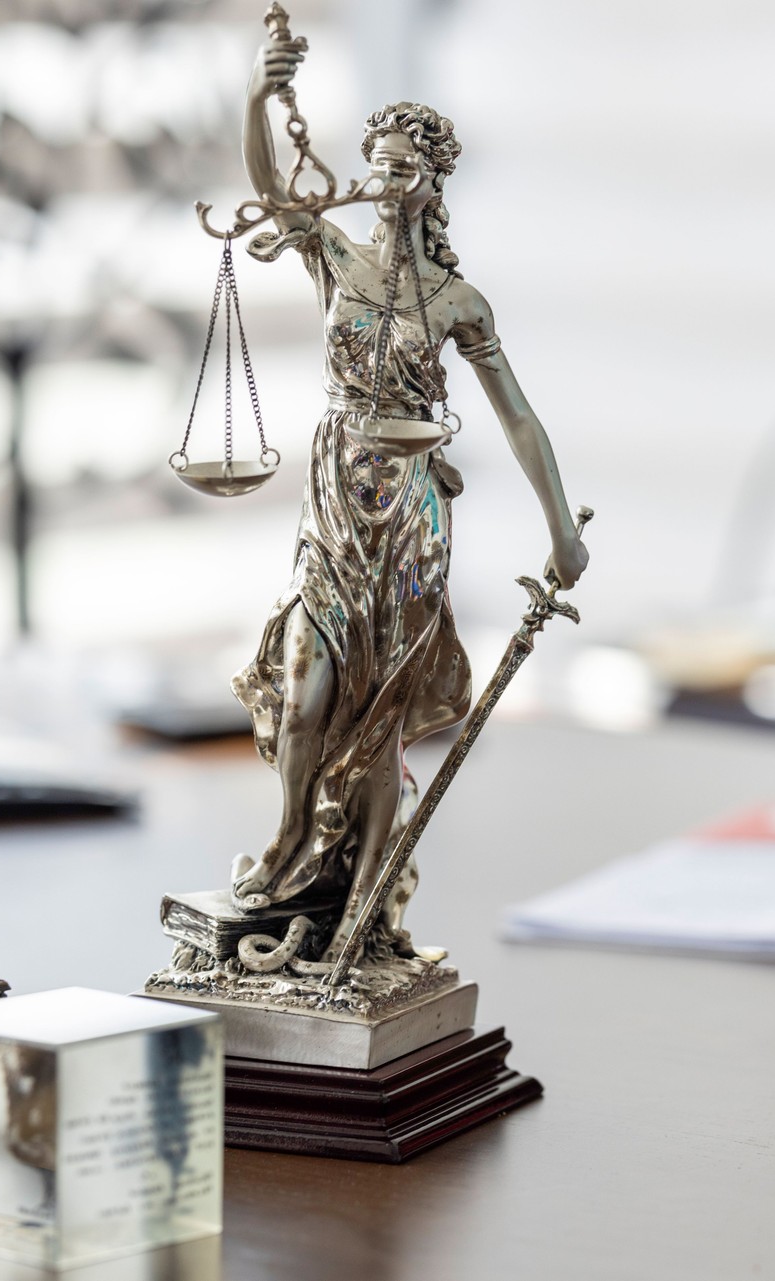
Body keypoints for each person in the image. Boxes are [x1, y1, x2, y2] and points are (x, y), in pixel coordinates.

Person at [226, 33, 588, 969]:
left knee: (383, 713)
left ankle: (369, 901)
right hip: (336, 493)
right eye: (378, 164)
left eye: (406, 169)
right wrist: (260, 98)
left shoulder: (458, 300)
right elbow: (269, 188)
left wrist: (561, 530)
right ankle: (287, 837)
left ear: (432, 184)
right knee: (306, 693)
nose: (387, 180)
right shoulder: (333, 257)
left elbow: (517, 418)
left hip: (415, 514)